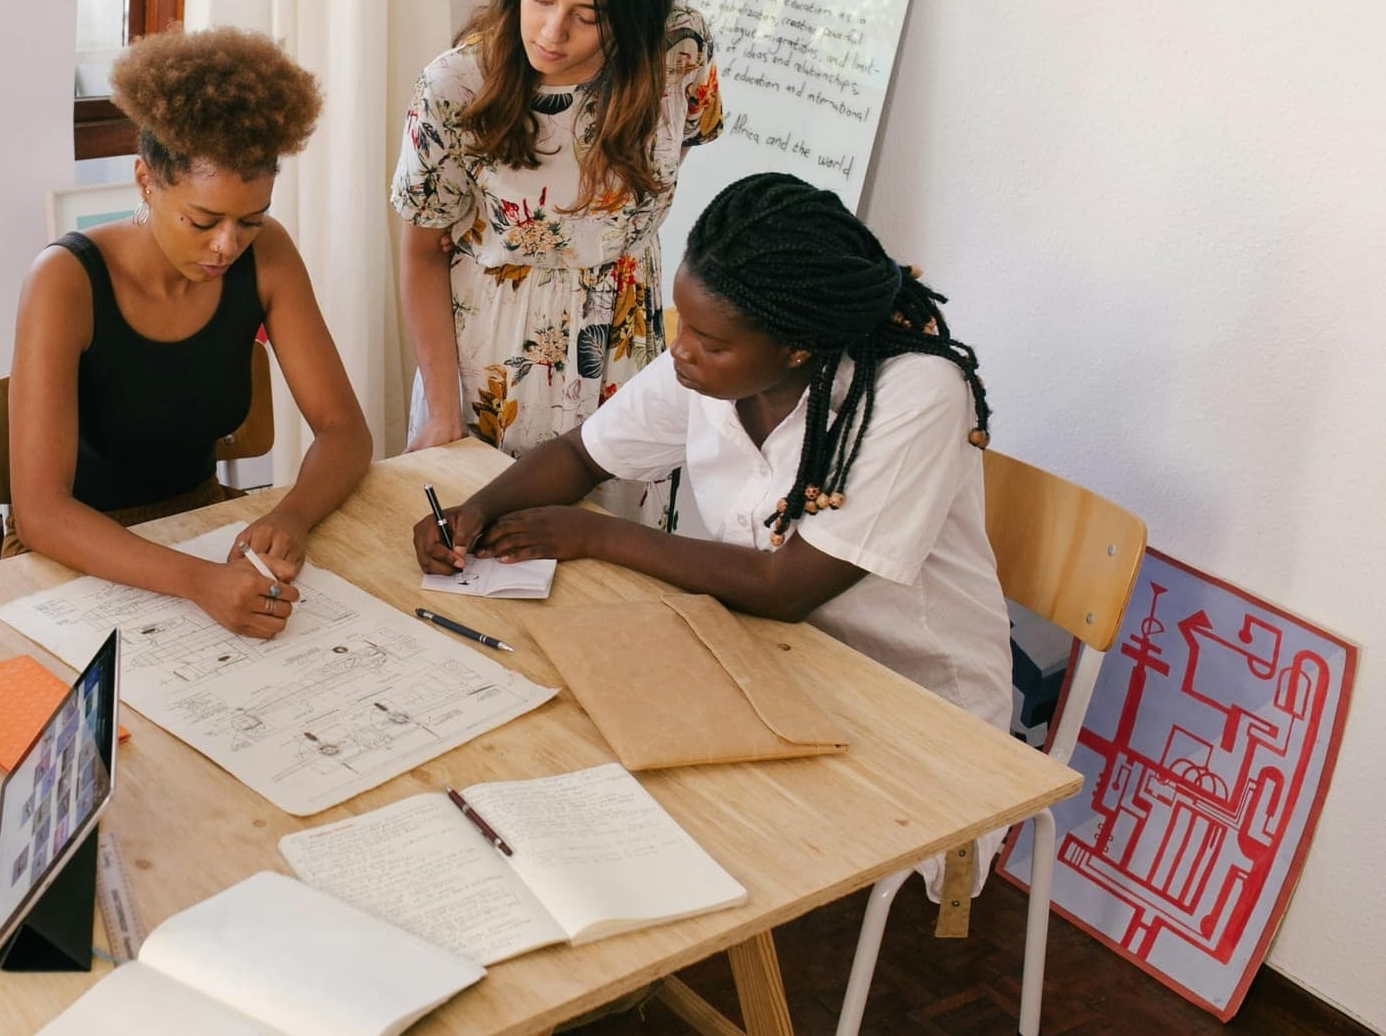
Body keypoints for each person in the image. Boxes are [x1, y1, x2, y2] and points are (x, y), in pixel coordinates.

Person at [413, 173, 1012, 895]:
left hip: (910, 705)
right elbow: (580, 455)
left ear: (797, 348)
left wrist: (595, 536)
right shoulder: (707, 369)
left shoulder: (913, 396)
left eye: (709, 341)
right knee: (572, 740)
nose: (683, 351)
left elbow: (785, 585)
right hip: (771, 659)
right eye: (682, 326)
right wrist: (473, 511)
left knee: (654, 812)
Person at [6, 27, 372, 639]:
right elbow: (42, 514)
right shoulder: (65, 280)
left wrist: (293, 515)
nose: (227, 246)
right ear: (147, 181)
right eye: (203, 221)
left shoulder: (268, 256)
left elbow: (344, 430)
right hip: (74, 555)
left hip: (201, 527)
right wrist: (199, 582)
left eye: (249, 221)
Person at [394, 0, 724, 523]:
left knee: (618, 562)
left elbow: (664, 167)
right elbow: (418, 252)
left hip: (626, 346)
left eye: (589, 15)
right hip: (494, 355)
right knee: (481, 553)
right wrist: (441, 410)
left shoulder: (678, 50)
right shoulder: (457, 85)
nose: (550, 31)